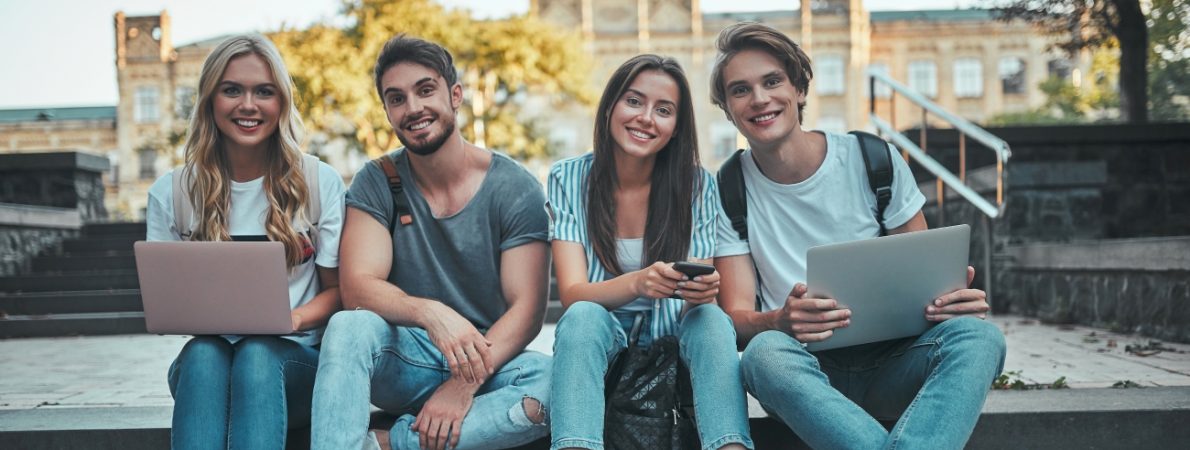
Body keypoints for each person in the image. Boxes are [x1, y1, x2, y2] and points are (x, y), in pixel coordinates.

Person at [708, 23, 1007, 449]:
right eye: (740, 90)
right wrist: (779, 320)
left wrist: (951, 301)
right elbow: (735, 321)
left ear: (800, 89)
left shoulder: (872, 160)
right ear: (728, 108)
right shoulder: (727, 188)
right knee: (762, 354)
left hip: (896, 363)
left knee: (981, 337)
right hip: (803, 376)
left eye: (772, 81)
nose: (759, 99)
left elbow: (927, 281)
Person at [309, 34, 551, 450]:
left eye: (425, 90)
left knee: (558, 384)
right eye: (397, 98)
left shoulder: (514, 187)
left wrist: (463, 385)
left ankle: (389, 443)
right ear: (386, 111)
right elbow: (357, 287)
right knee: (349, 326)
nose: (413, 108)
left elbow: (527, 309)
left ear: (455, 95)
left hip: (488, 359)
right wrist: (430, 313)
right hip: (407, 358)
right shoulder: (377, 179)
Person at [145, 34, 345, 449]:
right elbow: (169, 303)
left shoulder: (317, 182)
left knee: (256, 353)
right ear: (210, 100)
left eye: (264, 92)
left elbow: (339, 292)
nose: (248, 105)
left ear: (281, 102)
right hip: (209, 371)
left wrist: (292, 320)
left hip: (293, 366)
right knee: (203, 353)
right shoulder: (173, 193)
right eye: (232, 90)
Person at [547, 54, 753, 450]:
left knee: (711, 318)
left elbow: (696, 301)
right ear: (610, 107)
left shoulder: (697, 185)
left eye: (663, 110)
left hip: (673, 341)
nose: (646, 118)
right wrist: (639, 283)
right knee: (583, 316)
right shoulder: (567, 177)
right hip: (600, 341)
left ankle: (730, 446)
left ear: (676, 128)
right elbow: (572, 293)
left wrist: (701, 293)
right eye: (634, 101)